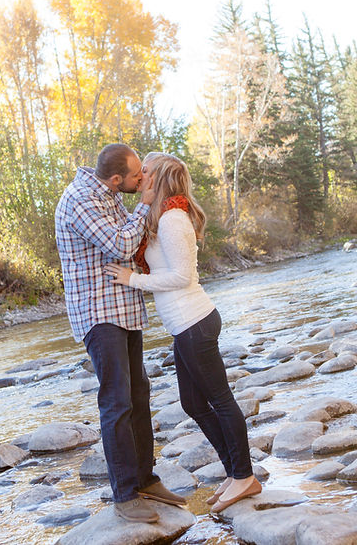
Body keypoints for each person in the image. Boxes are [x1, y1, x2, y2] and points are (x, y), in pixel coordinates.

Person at [105, 152, 261, 513]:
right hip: (185, 326)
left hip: (194, 322)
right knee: (193, 404)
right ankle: (235, 472)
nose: (139, 177)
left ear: (158, 178)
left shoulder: (173, 219)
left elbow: (182, 277)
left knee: (221, 400)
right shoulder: (161, 217)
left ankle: (245, 476)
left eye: (145, 171)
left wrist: (133, 279)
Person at [54, 143, 186, 523]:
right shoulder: (80, 200)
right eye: (136, 175)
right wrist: (145, 204)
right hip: (99, 314)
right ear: (116, 179)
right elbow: (121, 244)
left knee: (139, 395)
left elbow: (131, 238)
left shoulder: (108, 194)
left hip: (123, 310)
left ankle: (146, 479)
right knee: (116, 402)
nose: (142, 179)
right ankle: (125, 495)